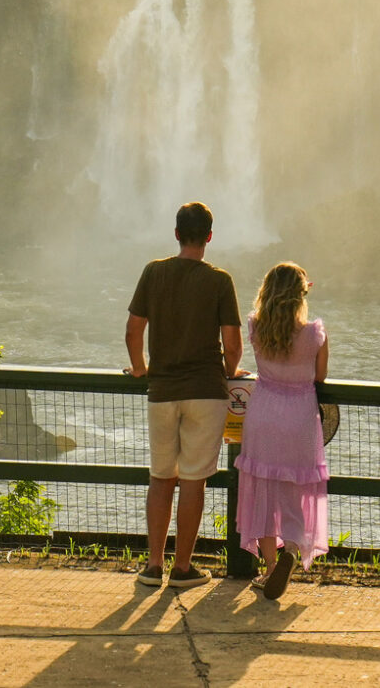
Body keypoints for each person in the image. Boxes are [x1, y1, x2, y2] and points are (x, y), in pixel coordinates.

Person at [125, 200, 243, 589]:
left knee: (161, 478)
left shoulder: (153, 272)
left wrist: (142, 369)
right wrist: (230, 373)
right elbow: (232, 344)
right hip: (206, 393)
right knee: (194, 481)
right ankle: (183, 569)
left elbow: (133, 331)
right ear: (209, 236)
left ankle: (153, 565)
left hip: (161, 391)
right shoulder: (219, 280)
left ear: (176, 234)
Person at [236, 261, 328, 600]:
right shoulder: (313, 333)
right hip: (300, 418)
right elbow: (320, 376)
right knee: (294, 490)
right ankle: (291, 548)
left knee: (263, 489)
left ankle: (271, 568)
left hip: (264, 415)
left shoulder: (257, 327)